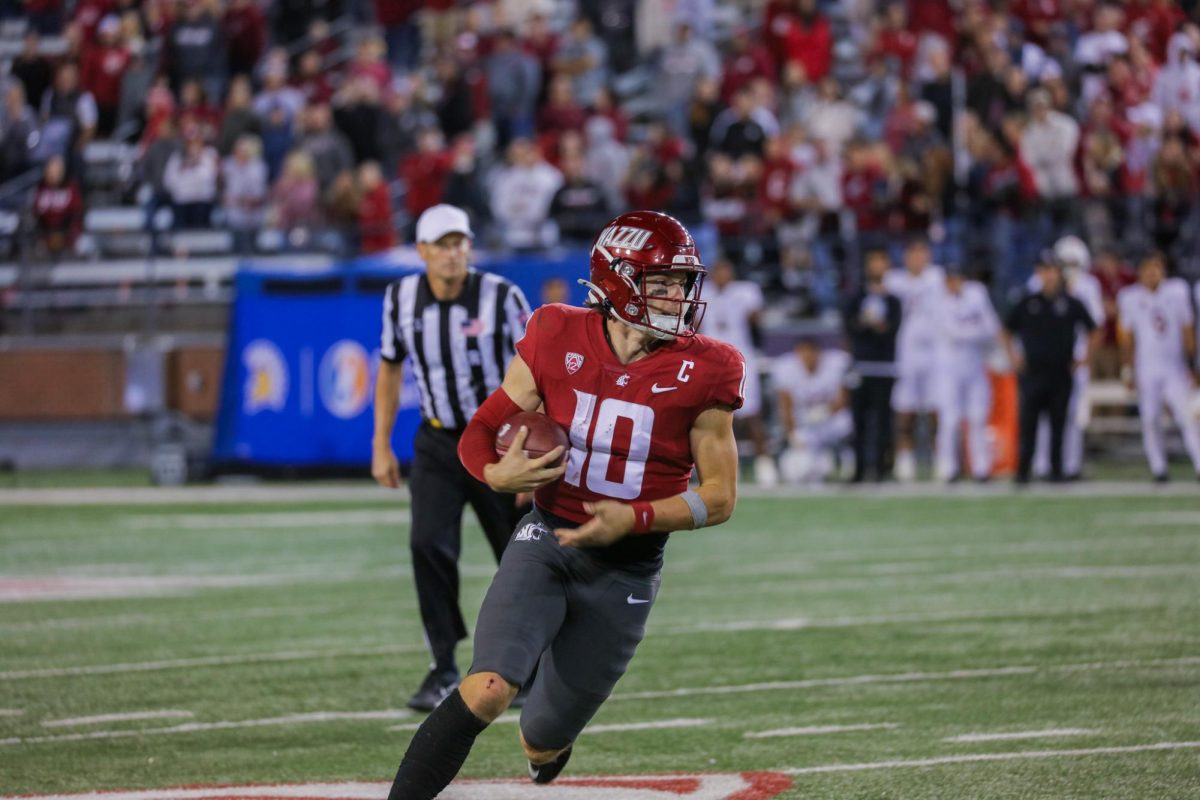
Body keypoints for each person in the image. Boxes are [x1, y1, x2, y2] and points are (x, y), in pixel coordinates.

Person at [384, 211, 744, 798]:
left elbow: (720, 497)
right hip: (547, 539)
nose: (679, 296)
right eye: (664, 282)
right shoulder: (554, 331)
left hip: (627, 568)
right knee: (488, 688)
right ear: (620, 279)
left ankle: (547, 748)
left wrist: (638, 516)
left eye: (683, 283)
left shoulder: (709, 367)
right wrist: (497, 473)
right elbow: (480, 432)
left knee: (542, 734)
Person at [372, 204, 533, 712]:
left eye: (459, 242)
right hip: (439, 441)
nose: (452, 253)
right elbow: (390, 369)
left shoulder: (501, 296)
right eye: (441, 244)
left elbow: (539, 371)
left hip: (499, 440)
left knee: (521, 554)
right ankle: (443, 665)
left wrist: (531, 453)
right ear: (421, 251)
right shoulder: (400, 297)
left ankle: (533, 665)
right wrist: (380, 445)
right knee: (428, 545)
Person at [1002, 252, 1098, 485]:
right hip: (1033, 372)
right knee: (1029, 424)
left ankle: (1057, 471)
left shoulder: (1071, 302)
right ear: (1038, 274)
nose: (1048, 275)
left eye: (1052, 270)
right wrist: (1014, 357)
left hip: (1061, 371)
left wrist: (1085, 358)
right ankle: (1023, 471)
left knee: (1059, 423)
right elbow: (1005, 329)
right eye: (1044, 270)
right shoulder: (1027, 301)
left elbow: (1094, 329)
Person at [1116, 253, 1200, 482]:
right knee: (1150, 419)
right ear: (1140, 272)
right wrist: (1127, 369)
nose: (1153, 273)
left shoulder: (1177, 291)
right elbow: (1126, 337)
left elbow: (1187, 329)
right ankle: (1159, 468)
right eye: (1148, 268)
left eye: (1157, 267)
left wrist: (1193, 364)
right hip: (1146, 368)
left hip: (1175, 366)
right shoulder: (1129, 297)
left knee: (1188, 416)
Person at [1031, 236, 1105, 480]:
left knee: (1072, 415)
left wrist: (1086, 358)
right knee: (1043, 415)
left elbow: (1096, 325)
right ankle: (1042, 465)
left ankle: (1070, 465)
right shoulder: (1037, 283)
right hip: (1045, 359)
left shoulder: (1088, 285)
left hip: (1074, 360)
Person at [702, 258, 776, 485]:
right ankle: (703, 467)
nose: (723, 274)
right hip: (710, 359)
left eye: (726, 269)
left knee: (750, 411)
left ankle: (765, 465)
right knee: (703, 413)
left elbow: (757, 319)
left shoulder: (746, 291)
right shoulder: (703, 292)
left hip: (740, 359)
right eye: (718, 270)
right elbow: (693, 325)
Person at [884, 237, 946, 481]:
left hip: (935, 353)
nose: (918, 259)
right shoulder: (894, 281)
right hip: (906, 353)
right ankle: (905, 459)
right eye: (913, 254)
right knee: (904, 409)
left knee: (936, 410)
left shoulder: (938, 278)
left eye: (922, 254)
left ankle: (942, 458)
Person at [934, 265, 1000, 482]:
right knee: (949, 419)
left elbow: (991, 328)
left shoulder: (977, 293)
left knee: (978, 417)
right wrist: (974, 330)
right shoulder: (938, 299)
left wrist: (970, 331)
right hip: (949, 369)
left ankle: (981, 469)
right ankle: (948, 468)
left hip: (974, 365)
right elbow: (950, 331)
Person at [843, 248, 903, 482]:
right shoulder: (856, 297)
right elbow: (850, 326)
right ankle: (858, 469)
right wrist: (870, 326)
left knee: (883, 420)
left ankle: (881, 469)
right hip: (861, 365)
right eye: (873, 262)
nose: (877, 267)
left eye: (881, 262)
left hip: (884, 366)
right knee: (858, 420)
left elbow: (891, 330)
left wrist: (871, 327)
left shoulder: (893, 300)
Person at [774, 338, 853, 483]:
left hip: (831, 421)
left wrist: (825, 411)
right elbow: (786, 407)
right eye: (802, 352)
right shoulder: (787, 368)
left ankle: (842, 455)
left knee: (845, 423)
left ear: (818, 353)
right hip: (805, 425)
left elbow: (843, 400)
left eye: (810, 352)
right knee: (799, 470)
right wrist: (791, 434)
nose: (806, 357)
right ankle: (825, 463)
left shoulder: (835, 364)